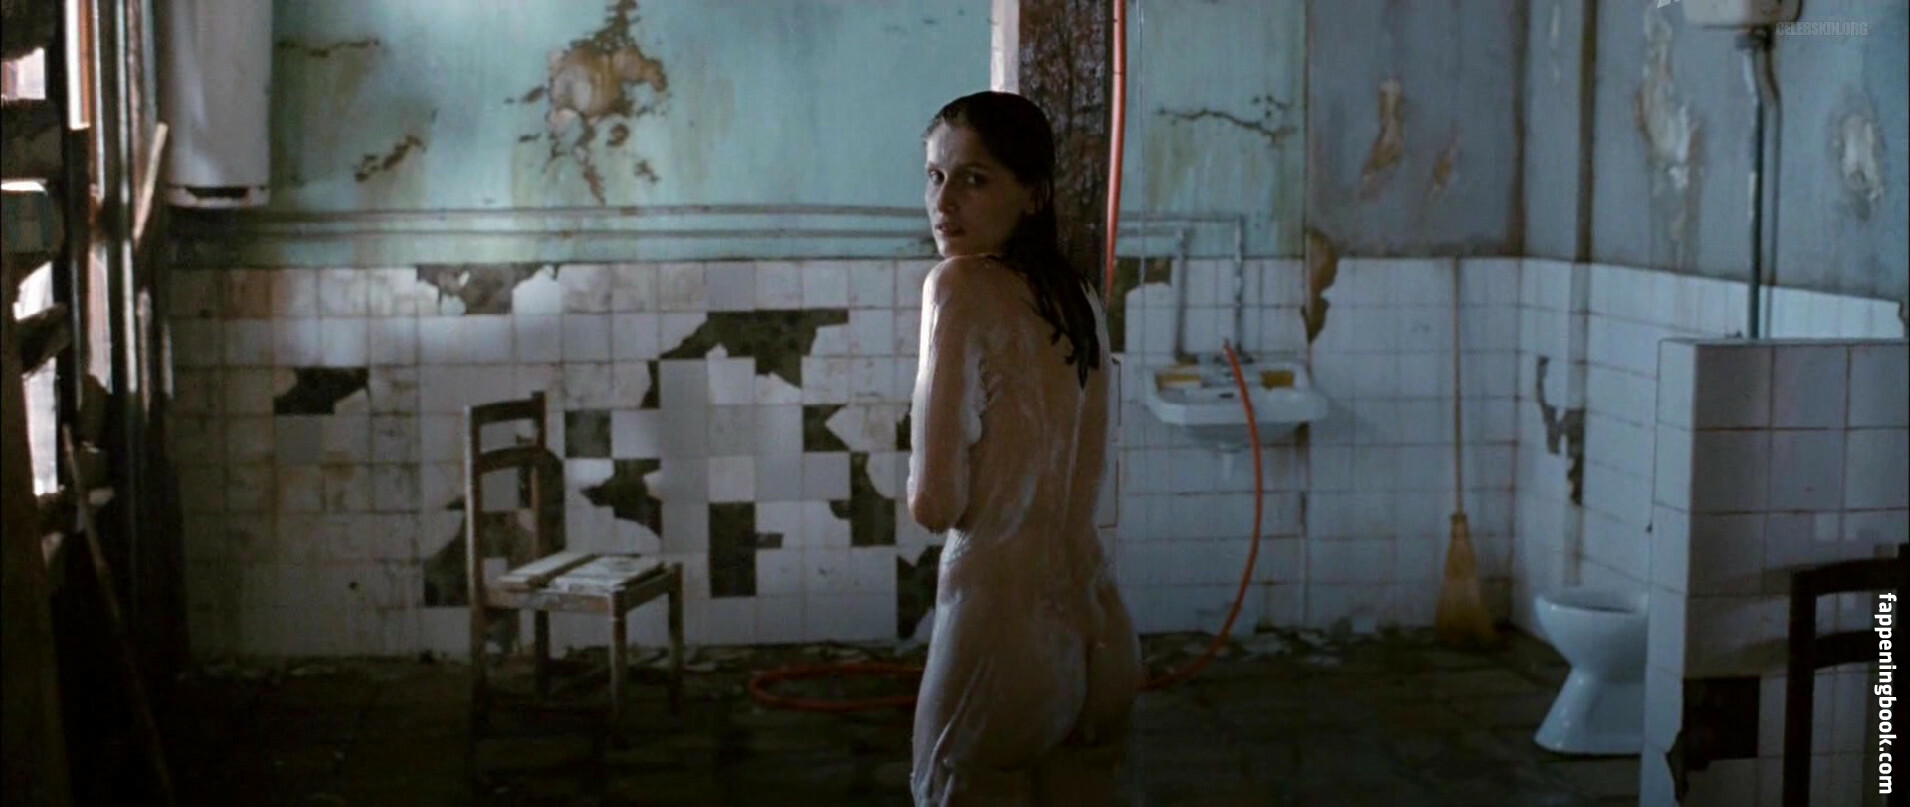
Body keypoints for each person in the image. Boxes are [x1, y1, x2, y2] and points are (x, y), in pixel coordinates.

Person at [906, 90, 1142, 807]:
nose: (944, 202)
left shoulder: (958, 287)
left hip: (1003, 636)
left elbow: (935, 502)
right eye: (935, 176)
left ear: (1033, 194)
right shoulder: (1078, 296)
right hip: (1100, 625)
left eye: (974, 179)